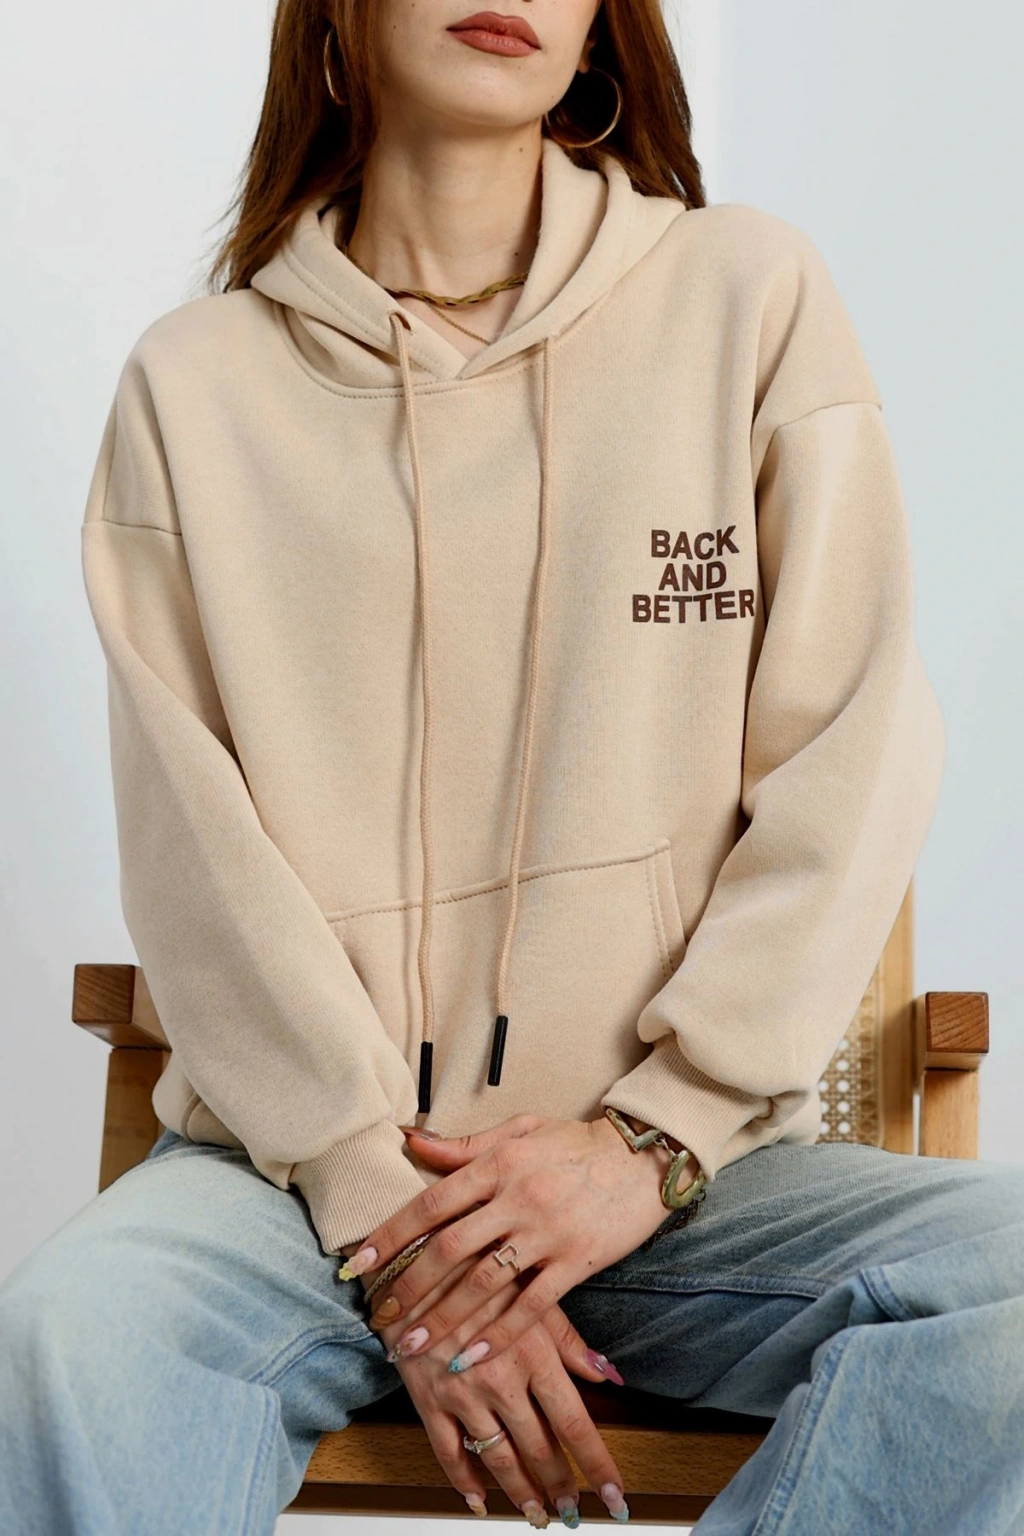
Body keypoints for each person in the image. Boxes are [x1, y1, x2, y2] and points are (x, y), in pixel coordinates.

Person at [2, 0, 1022, 1531]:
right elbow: (191, 850)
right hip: (298, 1200)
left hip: (678, 1194)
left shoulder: (746, 296)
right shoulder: (194, 383)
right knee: (67, 1342)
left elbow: (855, 751)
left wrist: (654, 1136)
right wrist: (389, 1214)